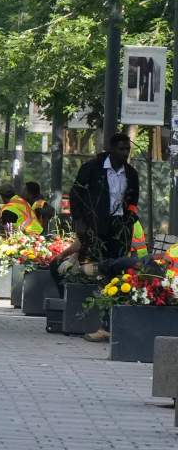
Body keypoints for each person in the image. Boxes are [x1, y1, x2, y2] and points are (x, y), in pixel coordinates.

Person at [70, 134, 142, 341]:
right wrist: (79, 221)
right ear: (110, 149)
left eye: (127, 149)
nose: (125, 153)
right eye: (121, 149)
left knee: (118, 272)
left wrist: (129, 218)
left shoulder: (131, 173)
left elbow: (133, 199)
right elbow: (76, 194)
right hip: (96, 228)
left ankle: (109, 325)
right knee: (101, 271)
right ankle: (100, 323)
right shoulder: (92, 169)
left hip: (119, 230)